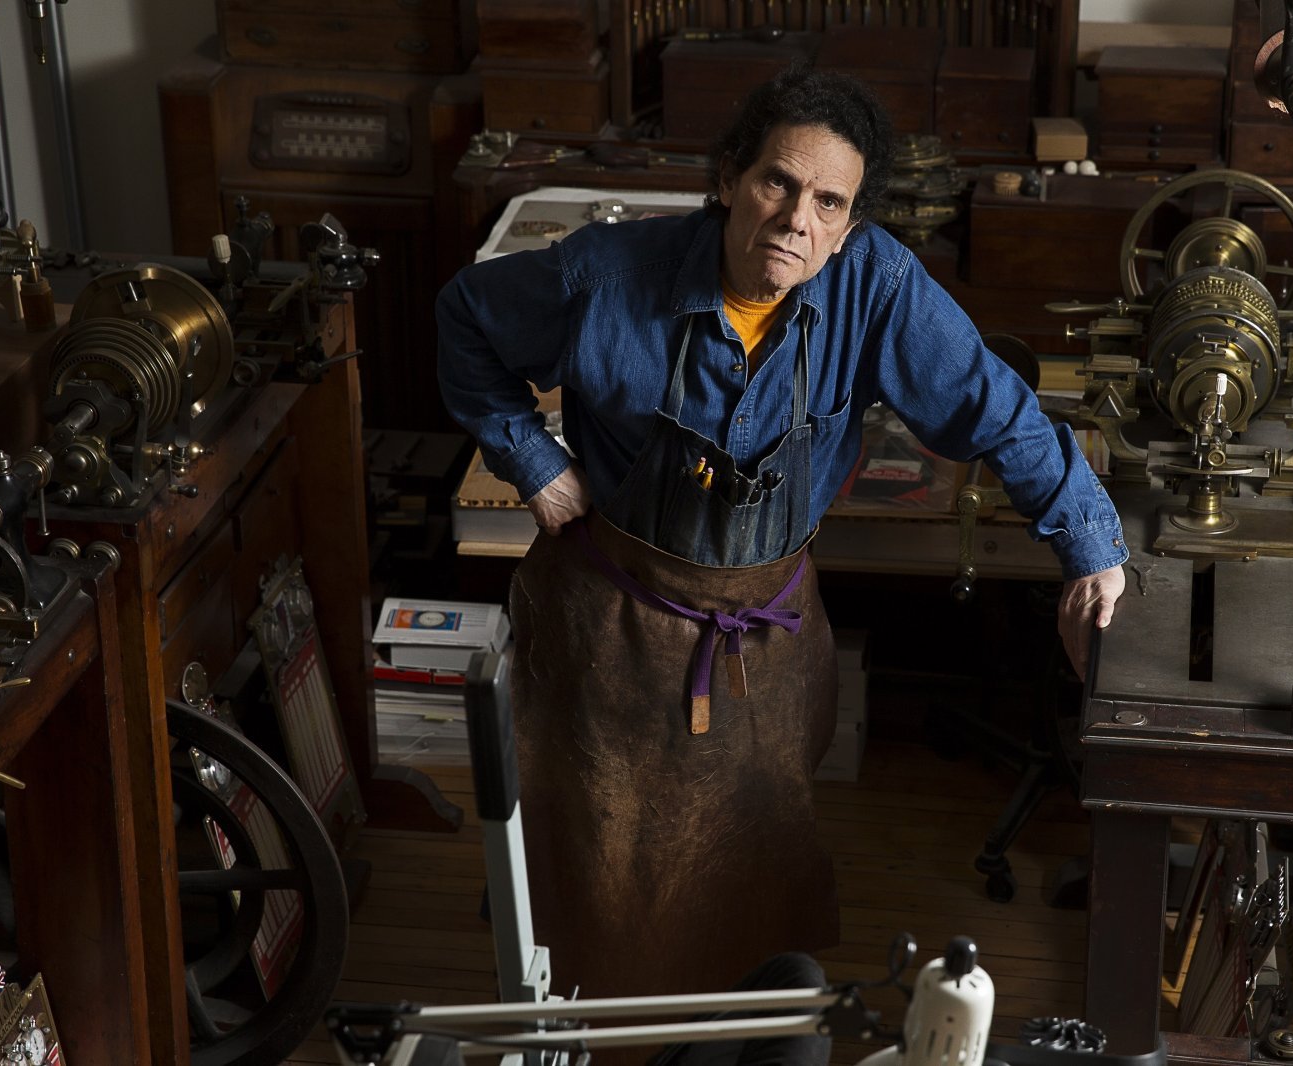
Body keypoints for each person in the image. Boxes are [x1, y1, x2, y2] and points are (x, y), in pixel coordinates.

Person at [437, 66, 1127, 1000]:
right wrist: (535, 462)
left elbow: (996, 411)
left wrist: (1090, 550)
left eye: (829, 201)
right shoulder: (605, 274)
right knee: (593, 880)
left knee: (746, 874)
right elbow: (464, 320)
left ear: (849, 227)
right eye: (778, 183)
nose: (798, 217)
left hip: (762, 642)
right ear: (728, 179)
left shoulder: (877, 287)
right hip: (607, 638)